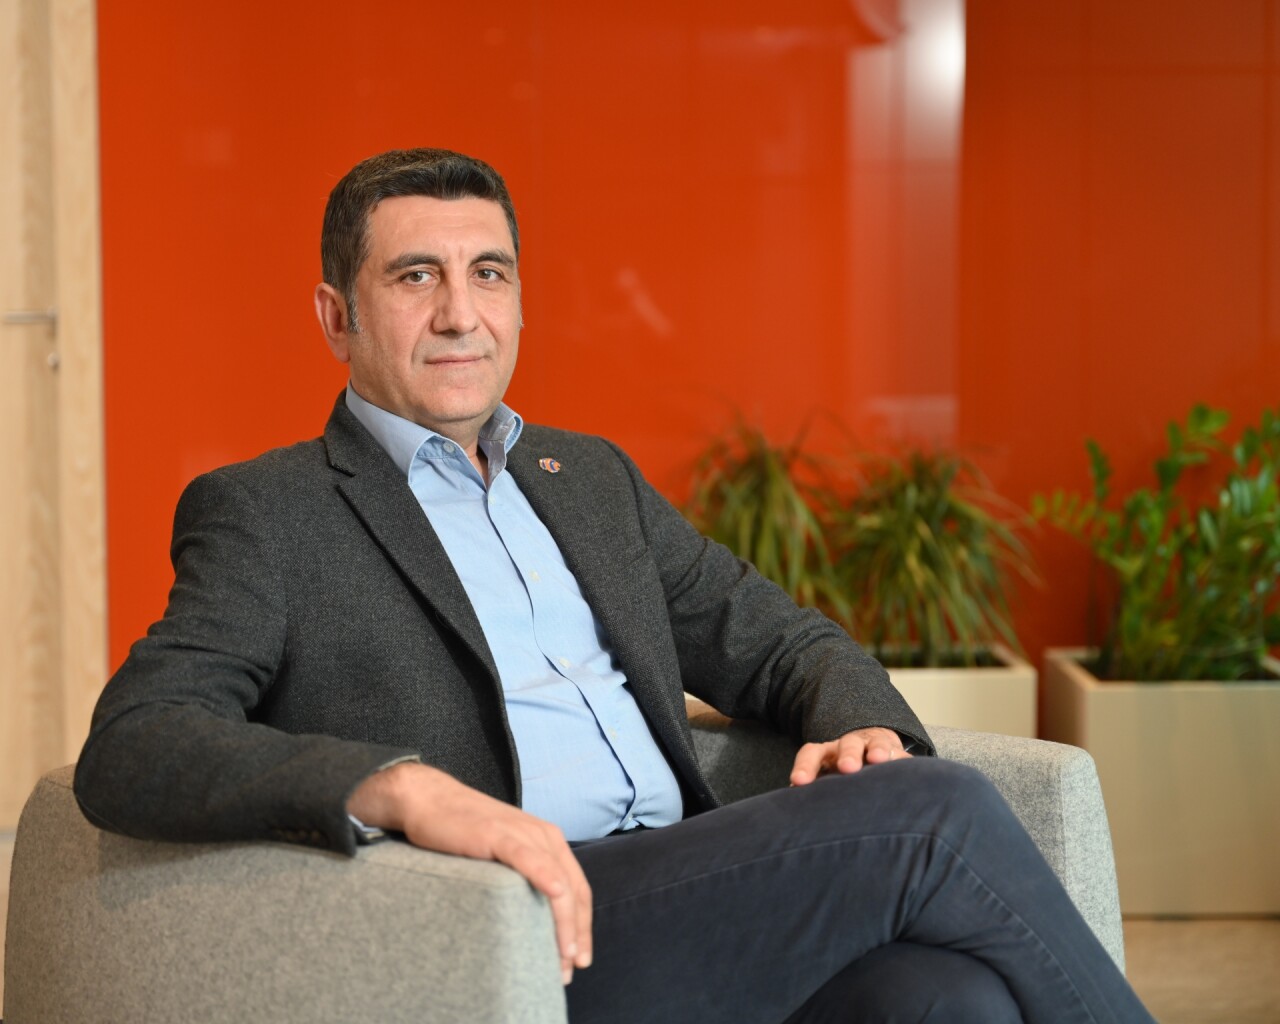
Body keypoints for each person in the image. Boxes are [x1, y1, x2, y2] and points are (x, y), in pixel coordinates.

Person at [74, 148, 1154, 1024]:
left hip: (680, 888)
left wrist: (857, 720)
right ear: (335, 318)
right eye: (415, 277)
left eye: (488, 273)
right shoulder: (271, 512)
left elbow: (778, 639)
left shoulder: (586, 478)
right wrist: (399, 789)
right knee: (936, 812)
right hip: (519, 925)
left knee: (949, 999)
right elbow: (136, 740)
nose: (460, 314)